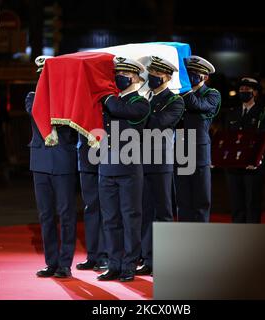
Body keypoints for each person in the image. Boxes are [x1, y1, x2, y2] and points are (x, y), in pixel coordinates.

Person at [96, 57, 150, 282]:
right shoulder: (110, 101)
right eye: (118, 74)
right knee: (110, 219)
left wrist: (107, 96)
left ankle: (129, 265)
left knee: (131, 219)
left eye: (126, 74)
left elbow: (120, 110)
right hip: (107, 166)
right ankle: (114, 264)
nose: (121, 78)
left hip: (128, 168)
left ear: (136, 78)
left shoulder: (141, 103)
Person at [26, 55, 78, 278]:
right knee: (46, 215)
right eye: (41, 75)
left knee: (66, 214)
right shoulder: (32, 97)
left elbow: (72, 126)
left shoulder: (68, 100)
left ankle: (65, 263)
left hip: (63, 161)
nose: (42, 79)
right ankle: (51, 262)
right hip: (40, 163)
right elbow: (37, 112)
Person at [137, 56, 185, 276]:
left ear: (166, 76)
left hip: (161, 163)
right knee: (146, 212)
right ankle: (148, 258)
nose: (152, 77)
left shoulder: (175, 101)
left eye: (156, 74)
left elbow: (158, 124)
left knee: (163, 212)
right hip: (142, 161)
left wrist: (140, 114)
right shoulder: (146, 98)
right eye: (151, 73)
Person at [175, 55, 221, 222]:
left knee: (201, 198)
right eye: (189, 73)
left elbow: (198, 106)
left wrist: (186, 90)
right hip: (181, 147)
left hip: (199, 149)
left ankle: (200, 233)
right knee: (183, 197)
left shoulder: (212, 94)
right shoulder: (180, 94)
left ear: (205, 77)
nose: (191, 76)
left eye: (196, 73)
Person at [224, 77, 265, 224]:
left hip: (253, 165)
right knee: (236, 202)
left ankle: (252, 234)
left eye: (247, 90)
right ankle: (237, 233)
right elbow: (226, 137)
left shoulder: (262, 113)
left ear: (255, 92)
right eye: (241, 90)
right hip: (234, 165)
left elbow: (264, 137)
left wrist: (257, 159)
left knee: (252, 201)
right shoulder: (233, 112)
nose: (243, 92)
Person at [76, 133, 108, 272]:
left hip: (107, 151)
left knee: (107, 207)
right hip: (85, 152)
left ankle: (105, 254)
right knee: (90, 207)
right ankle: (92, 255)